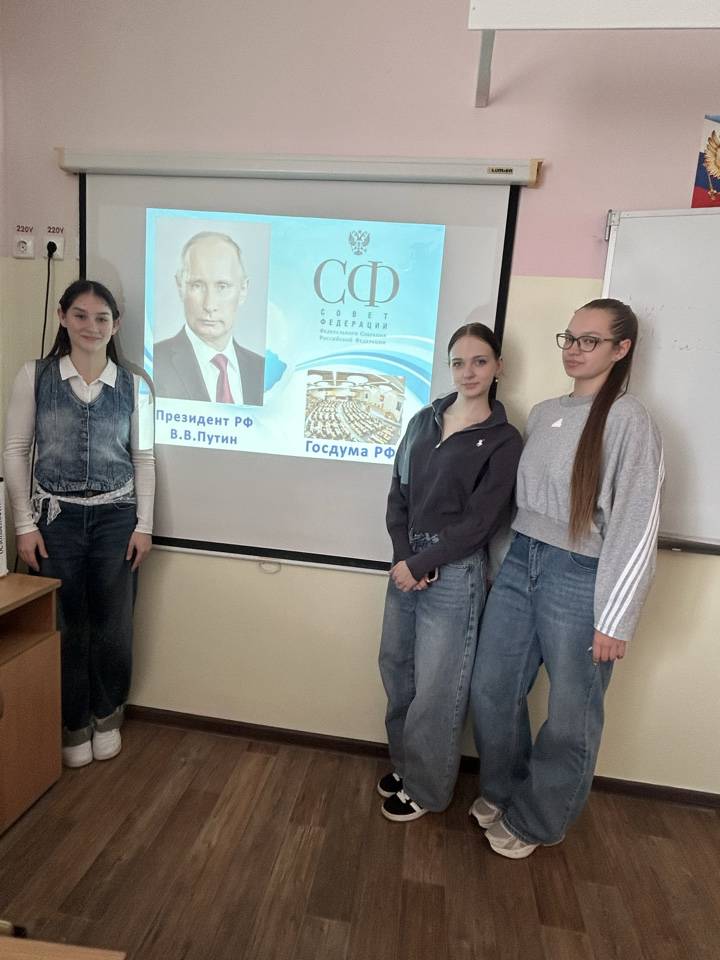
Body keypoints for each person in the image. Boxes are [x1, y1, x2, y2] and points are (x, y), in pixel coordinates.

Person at [469, 298, 664, 858]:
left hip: (580, 576)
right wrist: (499, 568)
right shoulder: (544, 412)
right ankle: (504, 790)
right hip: (521, 563)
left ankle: (540, 819)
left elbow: (636, 522)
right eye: (570, 338)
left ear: (621, 349)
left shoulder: (628, 419)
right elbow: (519, 508)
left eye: (590, 341)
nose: (574, 350)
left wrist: (615, 619)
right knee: (493, 687)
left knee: (571, 712)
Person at [3, 280, 156, 768]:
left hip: (117, 519)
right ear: (62, 317)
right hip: (55, 520)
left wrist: (144, 524)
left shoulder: (136, 385)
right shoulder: (35, 376)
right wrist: (24, 525)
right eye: (81, 315)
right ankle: (73, 723)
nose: (92, 326)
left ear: (116, 324)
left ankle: (107, 715)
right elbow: (15, 451)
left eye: (102, 318)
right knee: (64, 623)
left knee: (113, 624)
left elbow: (144, 458)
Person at [377, 323, 523, 821]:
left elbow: (482, 521)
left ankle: (428, 789)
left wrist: (422, 563)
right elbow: (398, 493)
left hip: (455, 573)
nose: (468, 372)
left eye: (480, 361)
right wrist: (405, 558)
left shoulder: (503, 440)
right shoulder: (423, 421)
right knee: (397, 670)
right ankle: (407, 767)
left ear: (498, 366)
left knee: (439, 688)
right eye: (458, 362)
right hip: (406, 567)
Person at [153, 231, 265, 405]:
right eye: (197, 285)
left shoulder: (261, 370)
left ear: (243, 290)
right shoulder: (155, 363)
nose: (209, 305)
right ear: (180, 286)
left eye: (222, 286)